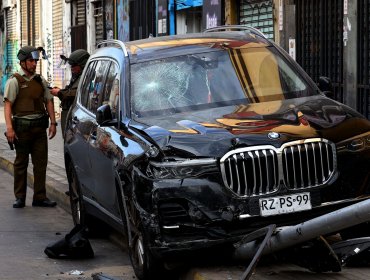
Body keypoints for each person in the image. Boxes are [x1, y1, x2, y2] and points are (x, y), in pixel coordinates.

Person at [3, 45, 57, 208]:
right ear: (23, 63)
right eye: (31, 61)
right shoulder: (14, 81)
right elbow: (7, 106)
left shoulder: (40, 80)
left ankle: (39, 197)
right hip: (22, 130)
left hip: (39, 130)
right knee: (21, 163)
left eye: (35, 61)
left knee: (41, 164)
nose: (34, 64)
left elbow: (48, 101)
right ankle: (20, 197)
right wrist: (10, 128)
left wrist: (53, 123)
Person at [50, 49, 90, 137]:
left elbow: (77, 93)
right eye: (71, 65)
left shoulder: (87, 78)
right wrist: (61, 91)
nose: (72, 68)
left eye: (74, 65)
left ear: (82, 65)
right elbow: (71, 90)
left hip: (78, 121)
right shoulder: (77, 77)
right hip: (70, 118)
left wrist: (60, 93)